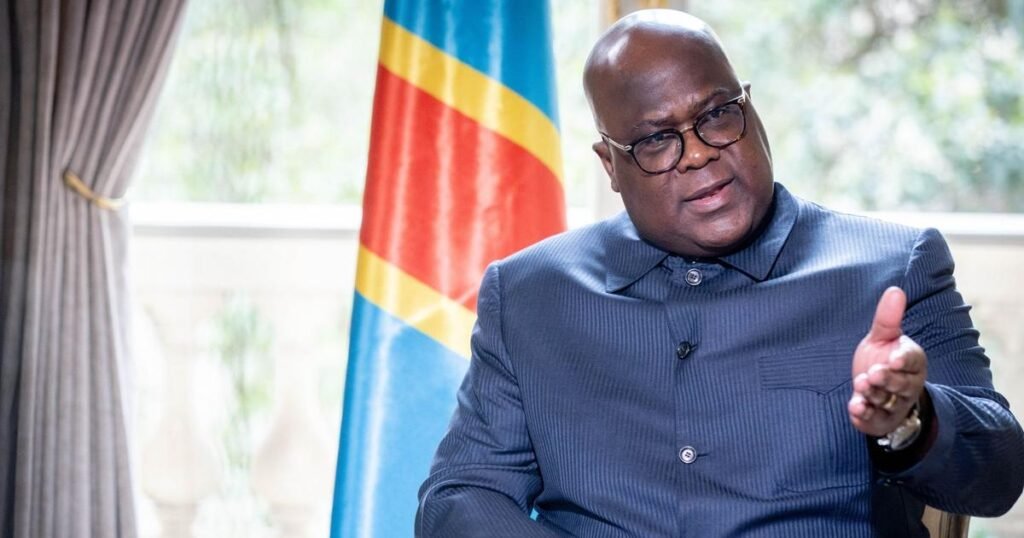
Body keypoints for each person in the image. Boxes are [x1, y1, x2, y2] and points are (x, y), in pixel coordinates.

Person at [416, 9, 1024, 537]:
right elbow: (461, 497)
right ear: (610, 165)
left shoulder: (892, 268)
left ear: (750, 109)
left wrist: (910, 421)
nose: (701, 152)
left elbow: (999, 477)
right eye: (657, 140)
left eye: (717, 115)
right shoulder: (530, 295)